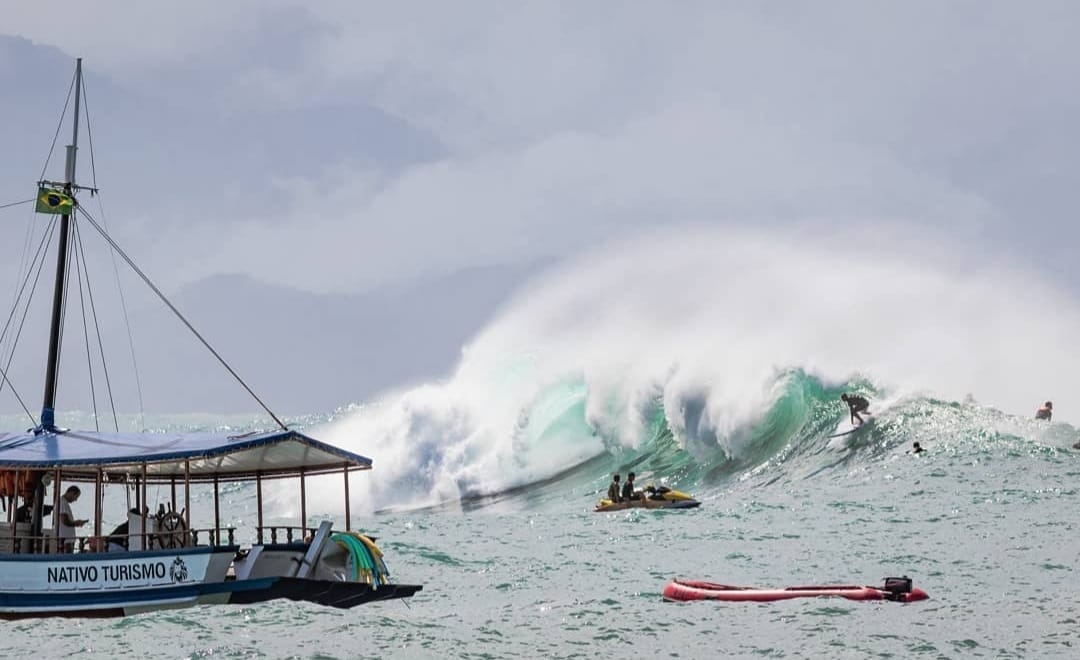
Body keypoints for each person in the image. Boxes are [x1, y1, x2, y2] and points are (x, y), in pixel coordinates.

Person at [56, 485, 88, 553]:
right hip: (65, 541)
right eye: (76, 497)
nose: (75, 500)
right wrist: (77, 523)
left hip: (66, 540)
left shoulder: (63, 503)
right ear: (71, 493)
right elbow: (65, 521)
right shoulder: (62, 503)